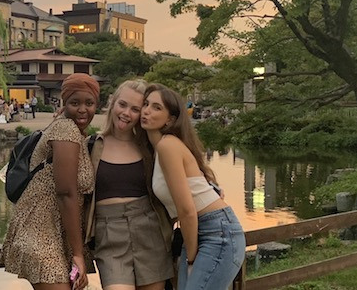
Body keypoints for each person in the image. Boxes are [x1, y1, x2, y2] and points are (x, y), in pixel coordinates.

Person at [140, 84, 245, 290]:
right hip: (199, 232)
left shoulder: (167, 145)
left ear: (170, 119)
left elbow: (187, 210)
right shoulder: (161, 149)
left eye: (156, 107)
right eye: (145, 104)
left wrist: (190, 261)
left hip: (216, 233)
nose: (146, 110)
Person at [1, 73, 100, 290]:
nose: (83, 109)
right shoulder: (65, 129)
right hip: (41, 233)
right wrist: (77, 253)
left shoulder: (74, 132)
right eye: (75, 103)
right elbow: (66, 193)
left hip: (54, 235)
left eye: (89, 103)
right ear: (64, 104)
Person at [88, 79, 174, 290]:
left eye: (135, 109)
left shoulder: (150, 148)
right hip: (109, 233)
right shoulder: (91, 146)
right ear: (113, 103)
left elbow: (182, 175)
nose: (126, 113)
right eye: (122, 104)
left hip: (149, 230)